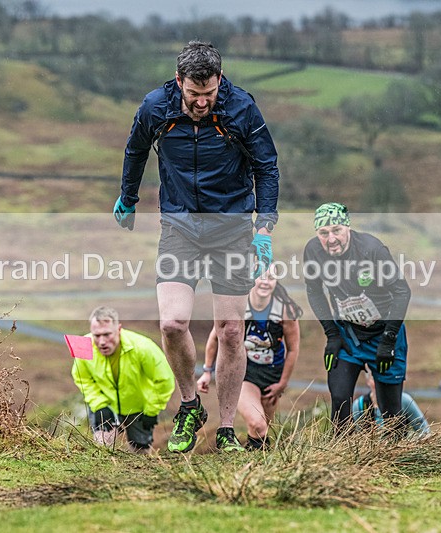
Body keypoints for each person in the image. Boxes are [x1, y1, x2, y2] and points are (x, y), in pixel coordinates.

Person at [113, 41, 280, 452]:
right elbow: (135, 150)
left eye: (209, 93)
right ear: (179, 82)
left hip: (232, 228)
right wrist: (128, 197)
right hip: (180, 226)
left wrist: (264, 228)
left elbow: (267, 167)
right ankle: (190, 406)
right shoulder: (155, 107)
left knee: (231, 331)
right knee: (172, 323)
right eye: (193, 94)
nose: (202, 102)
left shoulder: (241, 108)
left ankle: (226, 428)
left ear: (220, 80)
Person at [303, 202, 411, 433]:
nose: (331, 239)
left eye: (337, 230)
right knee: (339, 400)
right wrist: (332, 334)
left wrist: (389, 339)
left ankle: (395, 453)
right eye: (323, 233)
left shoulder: (372, 250)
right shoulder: (313, 251)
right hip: (348, 335)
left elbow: (402, 291)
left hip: (384, 334)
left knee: (392, 415)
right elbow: (314, 291)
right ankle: (343, 452)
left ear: (348, 227)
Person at [197, 271, 301, 450]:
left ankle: (256, 462)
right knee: (257, 423)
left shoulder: (285, 310)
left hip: (272, 374)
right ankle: (254, 459)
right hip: (245, 372)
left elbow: (293, 349)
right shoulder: (239, 305)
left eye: (271, 278)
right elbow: (215, 337)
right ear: (251, 278)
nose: (265, 282)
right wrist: (207, 371)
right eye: (261, 277)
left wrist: (282, 383)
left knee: (264, 428)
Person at [71, 307, 175, 454]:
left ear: (119, 329)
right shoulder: (84, 346)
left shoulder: (143, 346)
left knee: (141, 452)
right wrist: (99, 404)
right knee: (102, 449)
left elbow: (165, 379)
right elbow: (82, 378)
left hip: (139, 409)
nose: (102, 342)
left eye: (107, 334)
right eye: (97, 335)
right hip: (106, 406)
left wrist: (152, 410)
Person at [352, 367, 430, 437]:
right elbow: (359, 437)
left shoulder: (404, 400)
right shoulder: (360, 405)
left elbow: (424, 430)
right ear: (368, 381)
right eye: (374, 378)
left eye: (383, 377)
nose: (379, 382)